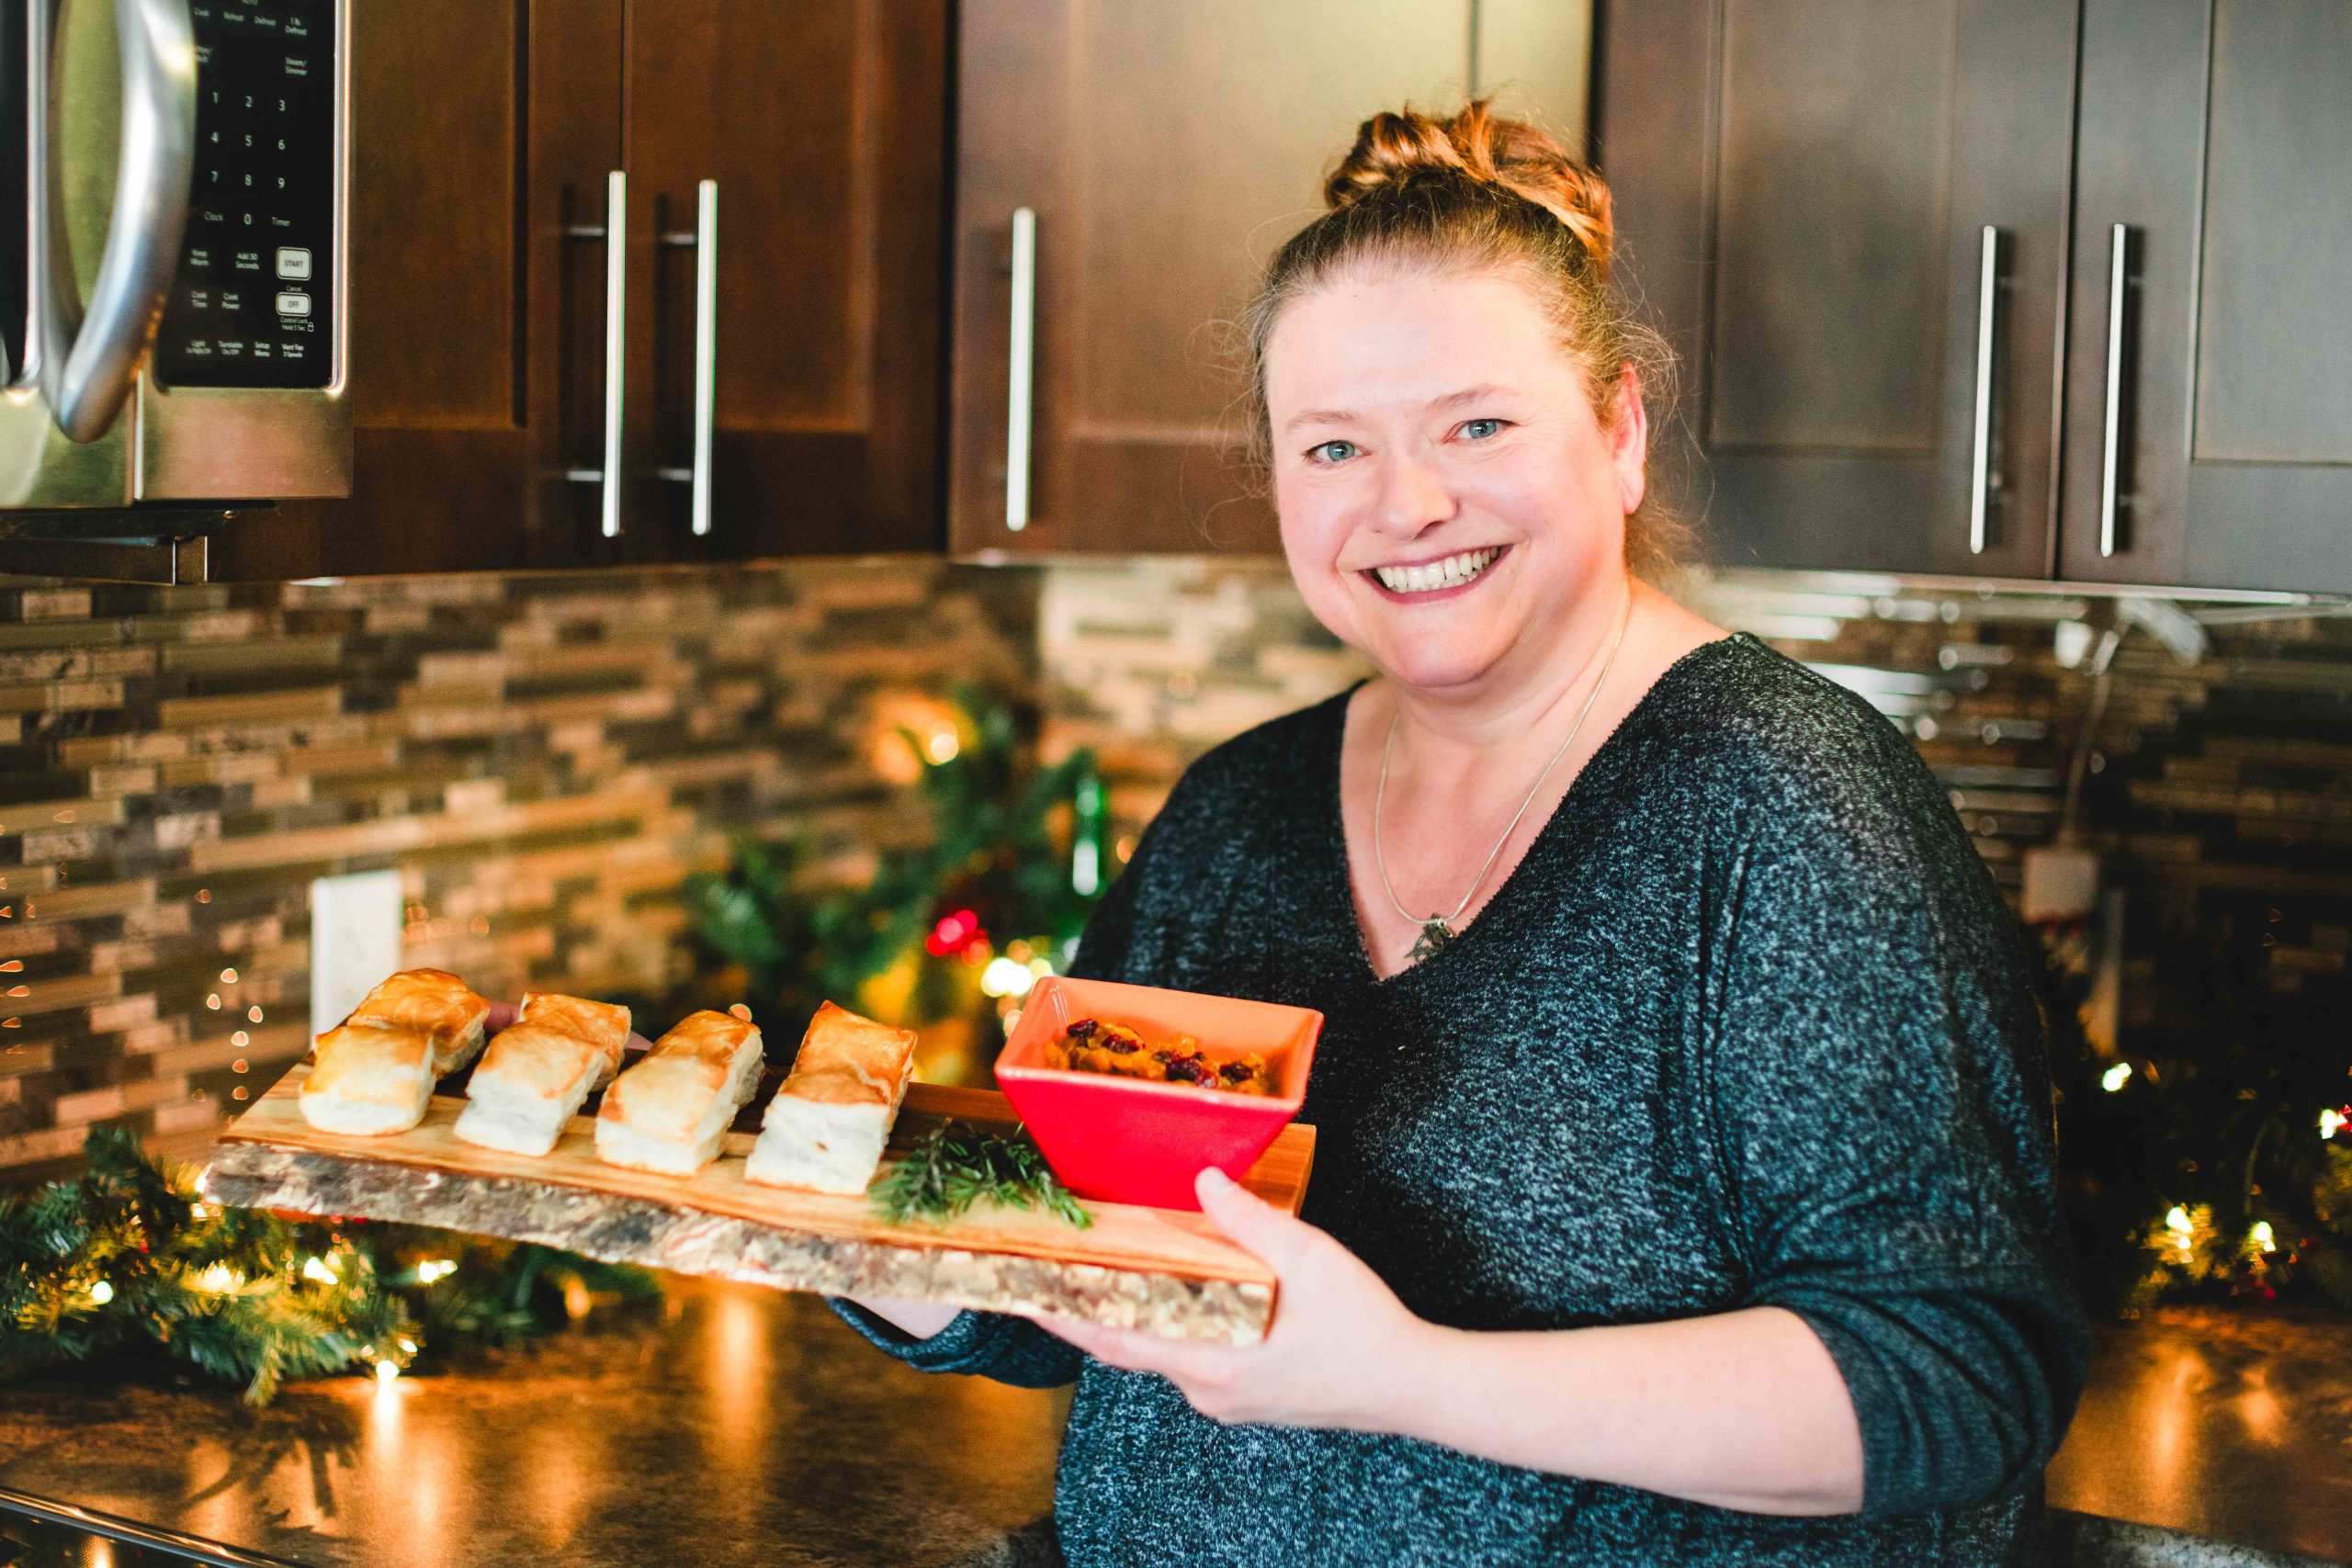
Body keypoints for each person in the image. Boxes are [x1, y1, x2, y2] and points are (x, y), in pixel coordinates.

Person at [833, 101, 2088, 1566]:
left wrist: (1406, 1375)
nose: (1407, 505)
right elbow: (1118, 1266)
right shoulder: (1238, 813)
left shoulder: (1784, 808)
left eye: (1478, 425)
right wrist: (869, 1239)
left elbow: (1955, 1379)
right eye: (1333, 447)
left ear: (1618, 431)